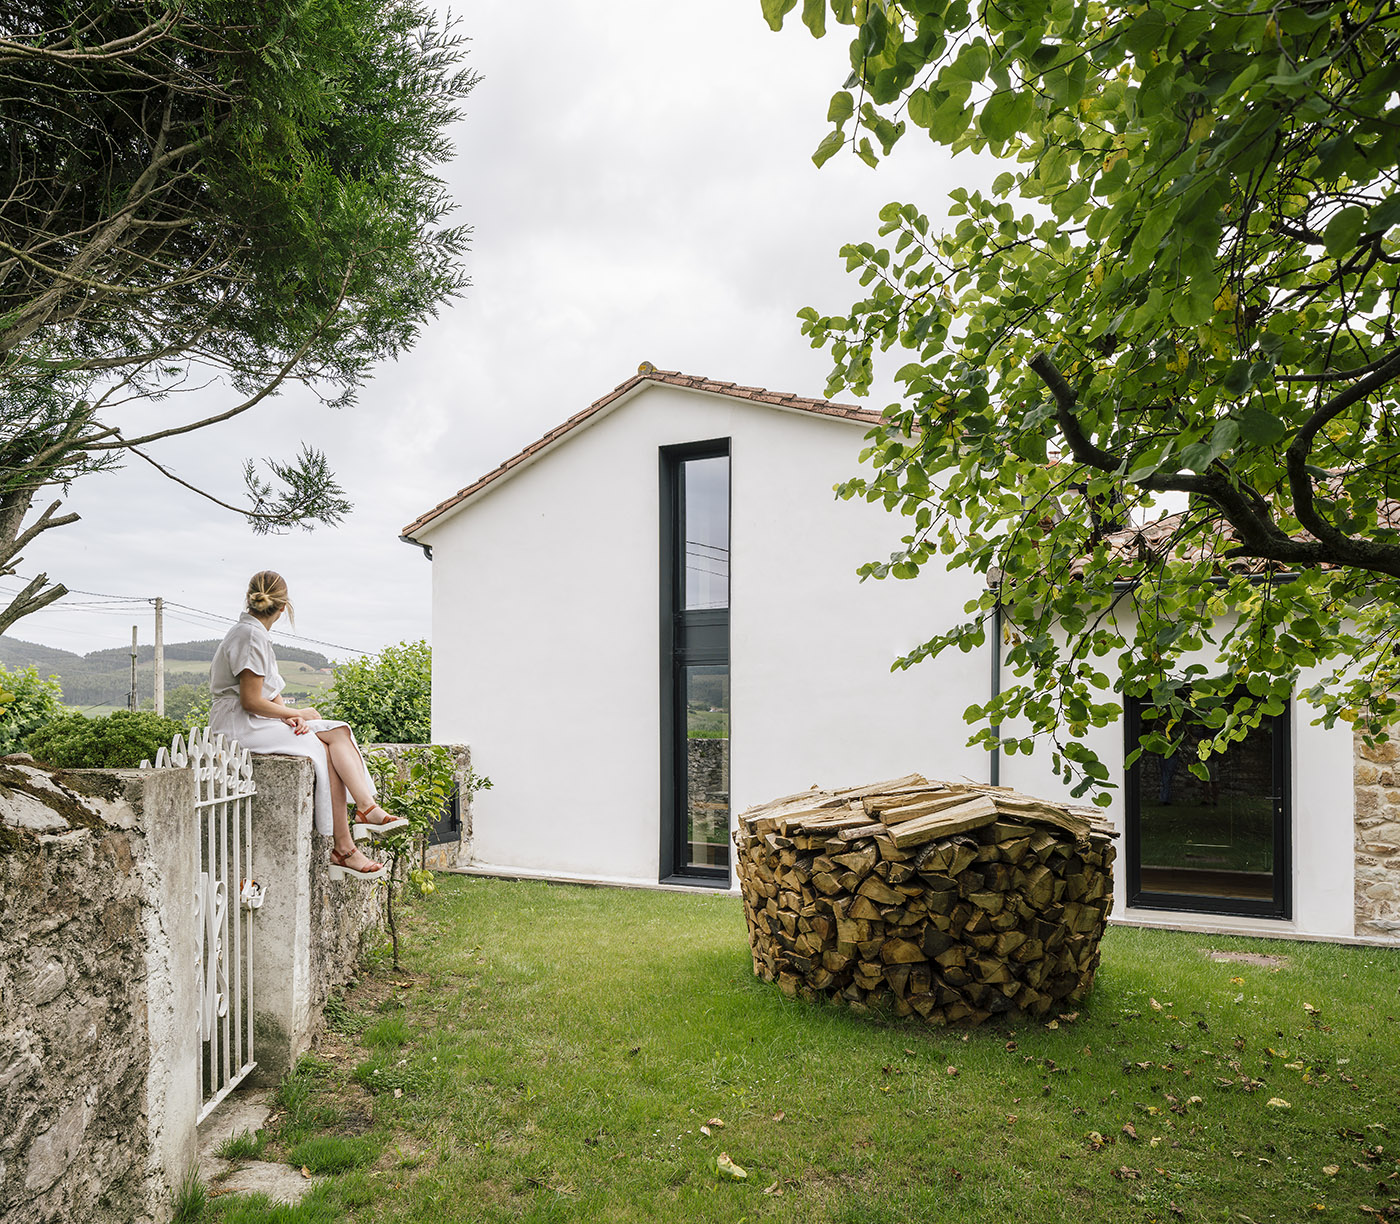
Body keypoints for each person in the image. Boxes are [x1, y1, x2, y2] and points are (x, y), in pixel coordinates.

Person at [209, 571, 406, 882]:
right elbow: (250, 700)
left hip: (255, 719)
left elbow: (270, 692)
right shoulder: (249, 636)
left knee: (338, 731)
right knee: (321, 748)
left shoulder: (254, 633)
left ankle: (365, 810)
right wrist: (295, 711)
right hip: (239, 724)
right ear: (284, 606)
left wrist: (290, 715)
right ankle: (347, 844)